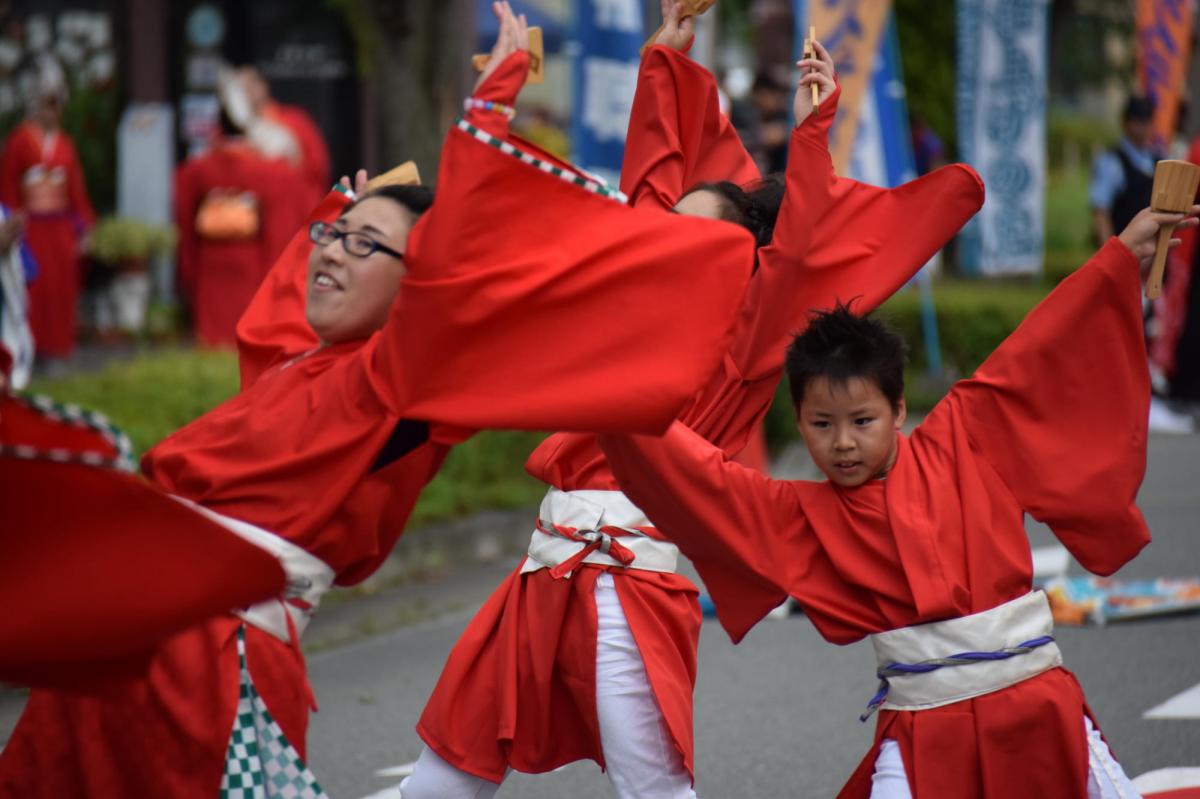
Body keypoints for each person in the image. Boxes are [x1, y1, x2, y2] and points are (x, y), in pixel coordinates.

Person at [0, 6, 755, 795]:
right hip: (134, 639)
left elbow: (461, 259)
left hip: (209, 663)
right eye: (332, 234)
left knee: (645, 781)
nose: (330, 250)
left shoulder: (393, 383)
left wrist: (493, 101)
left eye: (364, 243)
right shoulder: (306, 371)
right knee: (451, 774)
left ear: (420, 285)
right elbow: (278, 325)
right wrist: (339, 223)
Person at [403, 4, 984, 797]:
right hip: (542, 571)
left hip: (625, 580)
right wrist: (662, 63)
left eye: (695, 235)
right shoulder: (630, 315)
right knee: (445, 775)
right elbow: (646, 190)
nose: (666, 242)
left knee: (656, 790)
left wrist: (814, 132)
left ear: (743, 265)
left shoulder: (742, 345)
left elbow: (797, 249)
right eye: (667, 230)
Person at [598, 205, 1193, 798]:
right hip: (920, 727)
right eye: (822, 424)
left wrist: (1119, 257)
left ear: (900, 409)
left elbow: (1042, 345)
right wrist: (607, 386)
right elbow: (699, 477)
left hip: (1038, 702)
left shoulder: (965, 433)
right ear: (799, 425)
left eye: (862, 420)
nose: (844, 442)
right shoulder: (798, 514)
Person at [174, 71, 309, 347]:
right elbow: (280, 222)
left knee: (212, 337)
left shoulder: (199, 169)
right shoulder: (269, 171)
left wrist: (187, 269)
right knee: (246, 334)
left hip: (210, 260)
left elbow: (184, 217)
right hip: (252, 259)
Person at [0, 54, 93, 365]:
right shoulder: (19, 141)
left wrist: (84, 226)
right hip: (31, 227)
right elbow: (9, 187)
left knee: (60, 289)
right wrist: (10, 221)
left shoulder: (65, 144)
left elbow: (75, 189)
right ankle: (32, 350)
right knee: (34, 289)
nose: (51, 111)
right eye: (46, 103)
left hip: (60, 227)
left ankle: (59, 347)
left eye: (55, 104)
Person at [239, 66, 332, 208]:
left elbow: (319, 166)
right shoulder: (233, 131)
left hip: (294, 208)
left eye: (252, 84)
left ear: (264, 86)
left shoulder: (295, 121)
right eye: (240, 88)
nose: (247, 91)